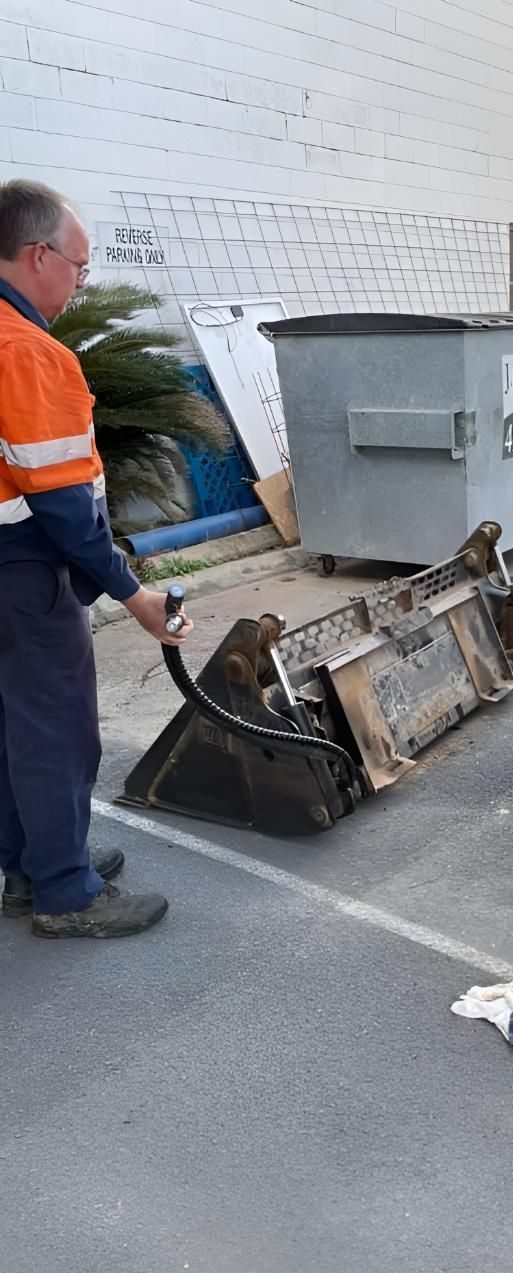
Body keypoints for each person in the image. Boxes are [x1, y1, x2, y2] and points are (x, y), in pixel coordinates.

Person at [0, 179, 191, 938]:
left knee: (14, 727)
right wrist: (132, 592)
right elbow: (62, 505)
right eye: (79, 266)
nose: (83, 282)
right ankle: (66, 893)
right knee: (54, 729)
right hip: (22, 569)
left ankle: (31, 868)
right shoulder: (28, 353)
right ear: (38, 254)